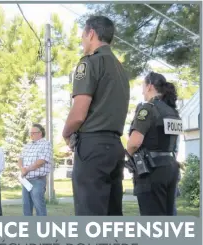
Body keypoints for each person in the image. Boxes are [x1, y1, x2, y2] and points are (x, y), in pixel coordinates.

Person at [62, 16, 130, 216]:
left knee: (89, 216)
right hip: (115, 146)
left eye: (83, 35)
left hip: (93, 147)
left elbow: (78, 113)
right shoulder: (120, 69)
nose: (82, 40)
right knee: (112, 214)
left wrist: (66, 134)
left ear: (91, 33)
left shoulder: (90, 63)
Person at [127, 72, 181, 215]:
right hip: (171, 167)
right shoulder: (173, 112)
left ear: (150, 86)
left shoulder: (148, 108)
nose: (142, 91)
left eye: (143, 87)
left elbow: (134, 142)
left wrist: (129, 157)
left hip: (151, 170)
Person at [18, 124, 53, 216]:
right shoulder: (28, 145)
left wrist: (27, 169)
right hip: (26, 180)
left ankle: (42, 228)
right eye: (31, 133)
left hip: (38, 180)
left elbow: (41, 161)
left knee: (39, 206)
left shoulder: (46, 144)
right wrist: (22, 169)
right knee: (26, 206)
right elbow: (20, 158)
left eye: (33, 133)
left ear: (40, 133)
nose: (31, 135)